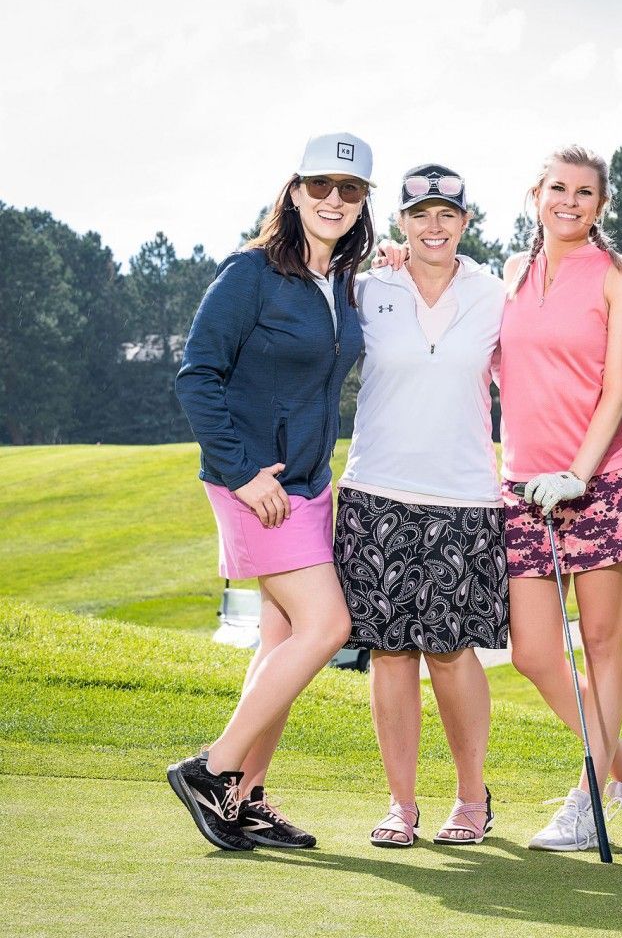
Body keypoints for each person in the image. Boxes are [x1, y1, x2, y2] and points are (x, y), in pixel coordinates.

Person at [374, 145, 622, 853]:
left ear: (600, 205)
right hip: (521, 489)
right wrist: (394, 261)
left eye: (585, 193)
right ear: (535, 195)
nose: (569, 202)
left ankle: (586, 794)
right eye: (557, 189)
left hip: (600, 484)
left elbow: (616, 385)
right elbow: (452, 311)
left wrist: (579, 469)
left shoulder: (619, 276)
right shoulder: (510, 273)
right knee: (537, 653)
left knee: (600, 645)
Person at [169, 132, 375, 851]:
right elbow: (197, 375)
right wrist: (242, 469)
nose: (332, 200)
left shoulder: (341, 282)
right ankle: (212, 770)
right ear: (294, 191)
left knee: (282, 639)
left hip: (308, 487)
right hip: (256, 487)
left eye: (348, 190)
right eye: (319, 185)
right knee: (328, 627)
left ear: (361, 204)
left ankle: (246, 798)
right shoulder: (250, 273)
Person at [334, 164, 508, 847]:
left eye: (447, 213)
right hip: (375, 490)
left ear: (466, 221)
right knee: (390, 654)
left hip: (464, 495)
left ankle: (471, 800)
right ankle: (399, 805)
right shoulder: (365, 286)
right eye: (420, 213)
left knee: (450, 652)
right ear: (400, 221)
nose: (433, 226)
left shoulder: (495, 293)